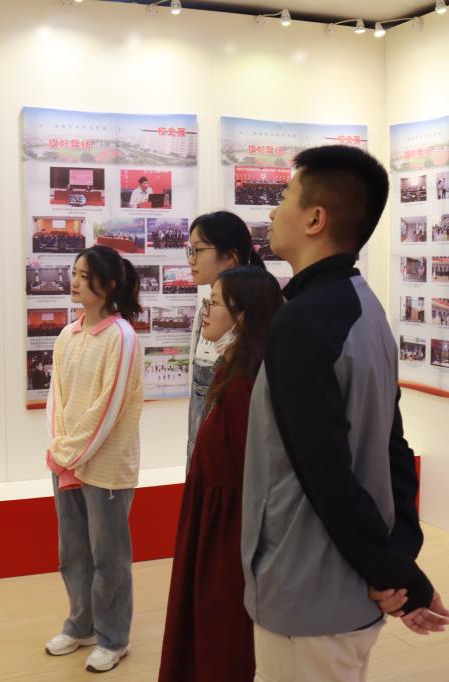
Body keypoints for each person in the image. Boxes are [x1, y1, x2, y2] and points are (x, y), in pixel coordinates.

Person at [242, 145, 449, 681]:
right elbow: (393, 446)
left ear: (315, 218)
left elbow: (326, 474)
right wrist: (396, 564)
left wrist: (396, 574)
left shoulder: (303, 322)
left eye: (284, 197)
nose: (273, 211)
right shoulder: (365, 307)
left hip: (306, 594)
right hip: (351, 590)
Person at [159, 266, 283, 682]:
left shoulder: (246, 388)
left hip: (229, 533)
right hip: (213, 522)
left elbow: (256, 477)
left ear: (242, 315)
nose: (205, 312)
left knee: (221, 635)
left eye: (214, 303)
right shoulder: (229, 373)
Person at [43, 245, 144, 674]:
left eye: (85, 275)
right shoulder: (68, 334)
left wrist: (70, 451)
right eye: (75, 272)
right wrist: (59, 449)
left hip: (105, 467)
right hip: (66, 461)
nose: (75, 281)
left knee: (109, 560)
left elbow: (109, 407)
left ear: (110, 284)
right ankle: (80, 625)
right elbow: (56, 398)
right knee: (74, 554)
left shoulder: (122, 337)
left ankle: (113, 638)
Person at [184, 211, 265, 474]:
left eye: (198, 250)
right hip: (201, 450)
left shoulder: (257, 314)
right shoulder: (204, 313)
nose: (191, 260)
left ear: (230, 256)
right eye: (190, 250)